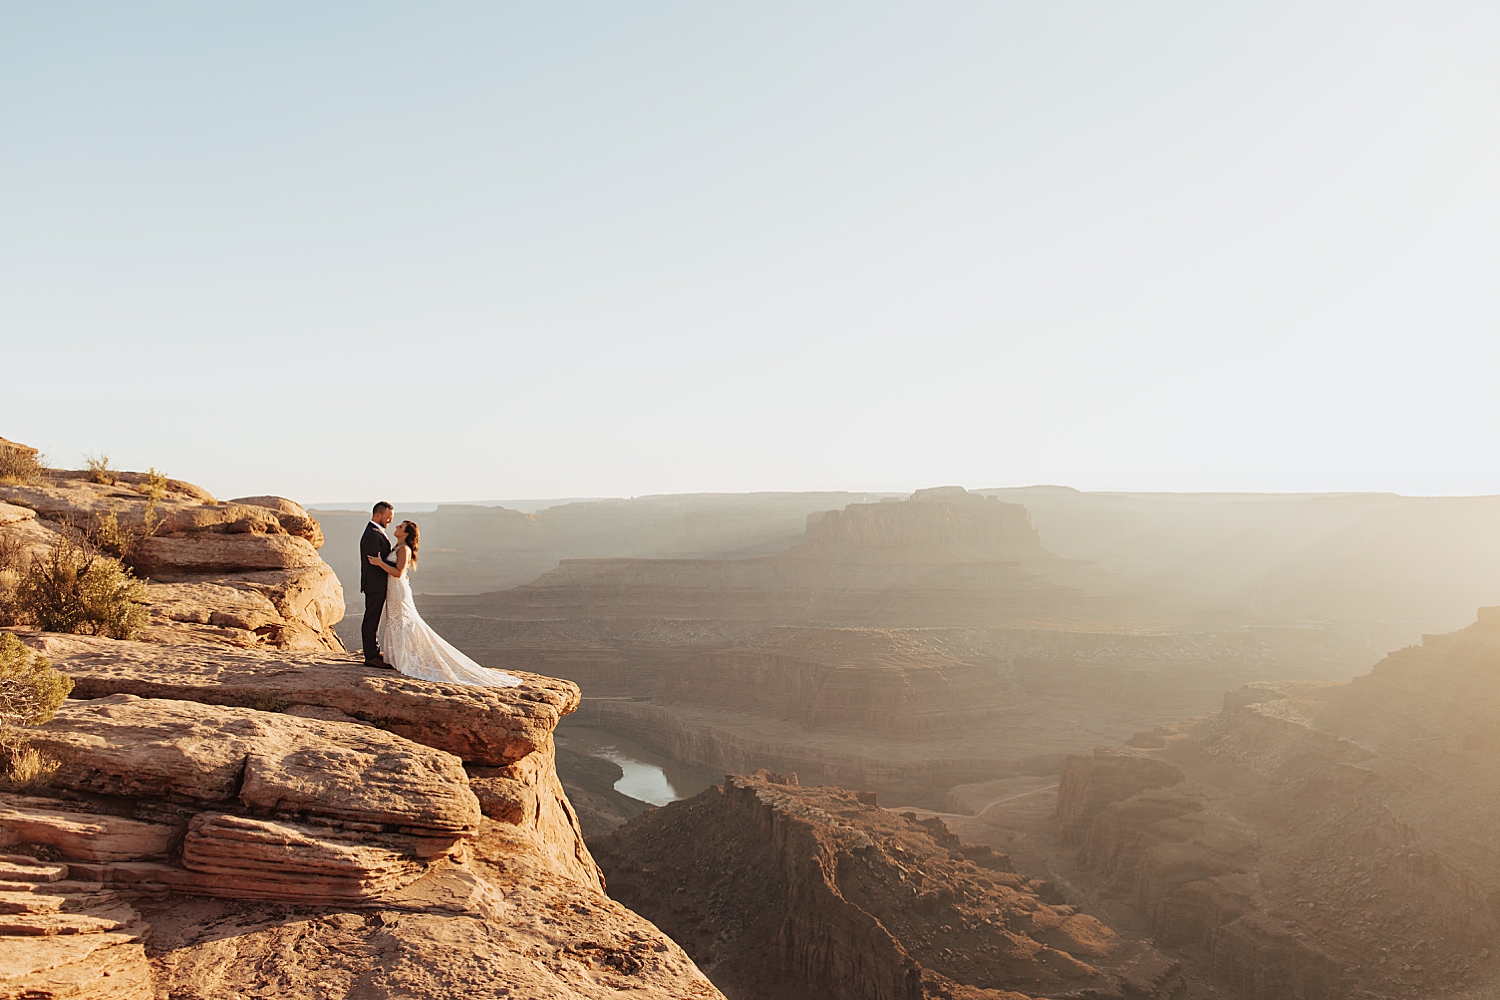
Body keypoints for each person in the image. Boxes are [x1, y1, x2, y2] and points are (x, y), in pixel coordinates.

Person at [366, 519, 522, 687]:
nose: (396, 527)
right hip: (393, 590)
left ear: (406, 533)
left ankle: (406, 660)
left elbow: (398, 572)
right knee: (395, 622)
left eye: (400, 527)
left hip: (398, 590)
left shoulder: (404, 549)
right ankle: (399, 657)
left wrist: (380, 563)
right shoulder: (397, 547)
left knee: (403, 622)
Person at [359, 501, 395, 668]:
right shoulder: (372, 534)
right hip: (375, 584)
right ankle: (371, 656)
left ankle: (374, 652)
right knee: (371, 620)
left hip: (378, 583)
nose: (390, 522)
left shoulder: (375, 531)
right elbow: (375, 561)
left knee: (374, 619)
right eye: (388, 518)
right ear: (378, 515)